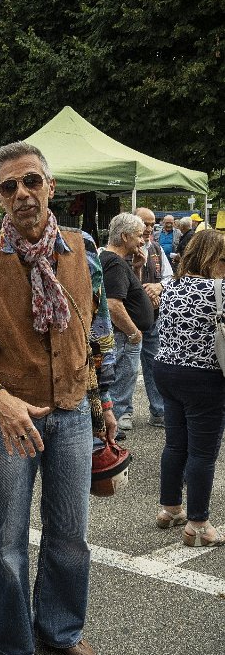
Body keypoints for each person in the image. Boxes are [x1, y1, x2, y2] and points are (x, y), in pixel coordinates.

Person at [0, 141, 116, 655]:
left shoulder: (83, 249)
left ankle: (61, 627)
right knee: (6, 541)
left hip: (72, 412)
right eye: (10, 187)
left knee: (70, 534)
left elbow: (98, 334)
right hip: (10, 419)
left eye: (31, 181)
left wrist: (103, 402)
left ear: (51, 186)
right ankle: (13, 639)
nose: (22, 194)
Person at [154, 230, 225, 547]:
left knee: (175, 445)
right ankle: (198, 525)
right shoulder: (218, 290)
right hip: (204, 377)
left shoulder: (172, 286)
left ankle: (170, 508)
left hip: (167, 371)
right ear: (214, 259)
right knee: (202, 453)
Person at [99, 213, 154, 430]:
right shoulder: (114, 263)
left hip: (123, 335)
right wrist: (133, 333)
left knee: (118, 385)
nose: (142, 241)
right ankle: (110, 433)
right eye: (138, 236)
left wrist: (137, 268)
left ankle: (109, 432)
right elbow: (113, 304)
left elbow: (129, 294)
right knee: (120, 386)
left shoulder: (116, 261)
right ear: (124, 236)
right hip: (123, 336)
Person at [131, 208, 173, 427]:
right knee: (125, 369)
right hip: (126, 320)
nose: (148, 229)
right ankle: (121, 414)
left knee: (154, 365)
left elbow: (169, 277)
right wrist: (143, 292)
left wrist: (158, 288)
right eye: (144, 224)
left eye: (151, 224)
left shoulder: (156, 248)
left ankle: (158, 411)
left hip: (152, 318)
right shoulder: (120, 250)